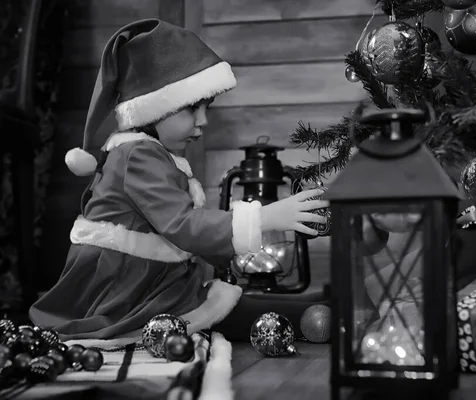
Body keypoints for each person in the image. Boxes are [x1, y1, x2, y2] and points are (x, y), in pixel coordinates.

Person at [29, 19, 328, 341]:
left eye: (206, 107)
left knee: (242, 303)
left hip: (151, 280)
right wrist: (266, 217)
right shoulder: (138, 155)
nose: (203, 122)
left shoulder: (150, 154)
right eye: (191, 109)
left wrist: (230, 255)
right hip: (124, 290)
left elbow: (177, 233)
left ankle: (317, 311)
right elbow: (181, 225)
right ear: (153, 109)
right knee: (250, 314)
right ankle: (325, 319)